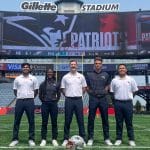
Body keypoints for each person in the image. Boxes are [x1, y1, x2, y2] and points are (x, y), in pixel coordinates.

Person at [9, 63, 39, 147]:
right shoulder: (17, 79)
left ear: (29, 69)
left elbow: (36, 90)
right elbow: (15, 90)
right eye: (24, 67)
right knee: (17, 121)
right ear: (22, 69)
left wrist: (31, 97)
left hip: (30, 101)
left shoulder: (33, 78)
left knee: (31, 121)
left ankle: (31, 139)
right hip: (20, 101)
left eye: (27, 67)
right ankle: (15, 139)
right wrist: (20, 96)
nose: (25, 68)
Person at [86, 57, 113, 146]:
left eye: (99, 63)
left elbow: (108, 85)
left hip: (103, 99)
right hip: (93, 98)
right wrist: (91, 93)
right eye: (96, 63)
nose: (97, 65)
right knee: (91, 119)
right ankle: (90, 138)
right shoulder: (89, 74)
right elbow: (87, 86)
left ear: (101, 64)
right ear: (94, 64)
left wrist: (104, 91)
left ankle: (107, 138)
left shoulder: (106, 74)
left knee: (105, 119)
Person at [110, 64, 138, 146]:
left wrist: (130, 97)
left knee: (129, 122)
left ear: (126, 70)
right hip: (118, 103)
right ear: (118, 70)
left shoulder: (131, 79)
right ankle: (118, 139)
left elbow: (135, 90)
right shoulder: (114, 80)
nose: (121, 69)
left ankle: (131, 139)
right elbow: (112, 92)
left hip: (128, 103)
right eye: (120, 68)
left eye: (123, 68)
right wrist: (114, 102)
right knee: (119, 122)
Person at [61, 60, 87, 147]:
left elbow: (84, 88)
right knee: (67, 120)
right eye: (71, 64)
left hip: (78, 100)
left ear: (77, 66)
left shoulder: (81, 76)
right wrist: (68, 95)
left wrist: (79, 95)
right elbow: (62, 89)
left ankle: (83, 139)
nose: (73, 66)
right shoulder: (65, 77)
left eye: (74, 64)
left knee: (80, 120)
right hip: (69, 100)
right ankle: (65, 138)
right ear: (69, 66)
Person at [39, 68, 60, 147]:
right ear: (46, 73)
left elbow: (59, 94)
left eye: (51, 72)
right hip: (45, 104)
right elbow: (40, 95)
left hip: (54, 104)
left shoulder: (57, 83)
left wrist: (55, 101)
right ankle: (43, 139)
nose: (50, 73)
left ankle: (54, 139)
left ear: (53, 73)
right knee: (44, 122)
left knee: (54, 122)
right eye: (48, 72)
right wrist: (44, 101)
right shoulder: (42, 84)